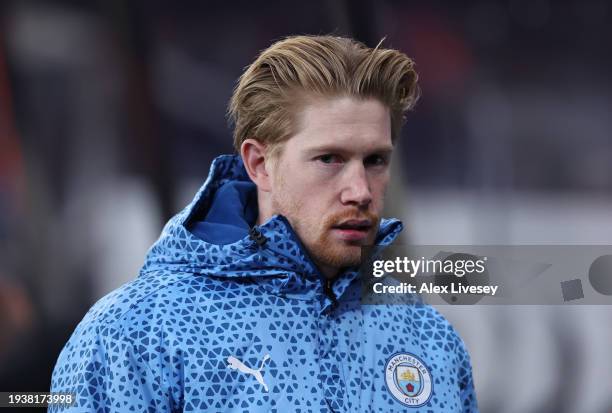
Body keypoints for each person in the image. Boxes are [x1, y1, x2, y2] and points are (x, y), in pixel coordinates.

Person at [50, 35, 478, 412]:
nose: (360, 190)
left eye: (375, 160)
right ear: (259, 164)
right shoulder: (135, 333)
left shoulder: (428, 336)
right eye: (329, 158)